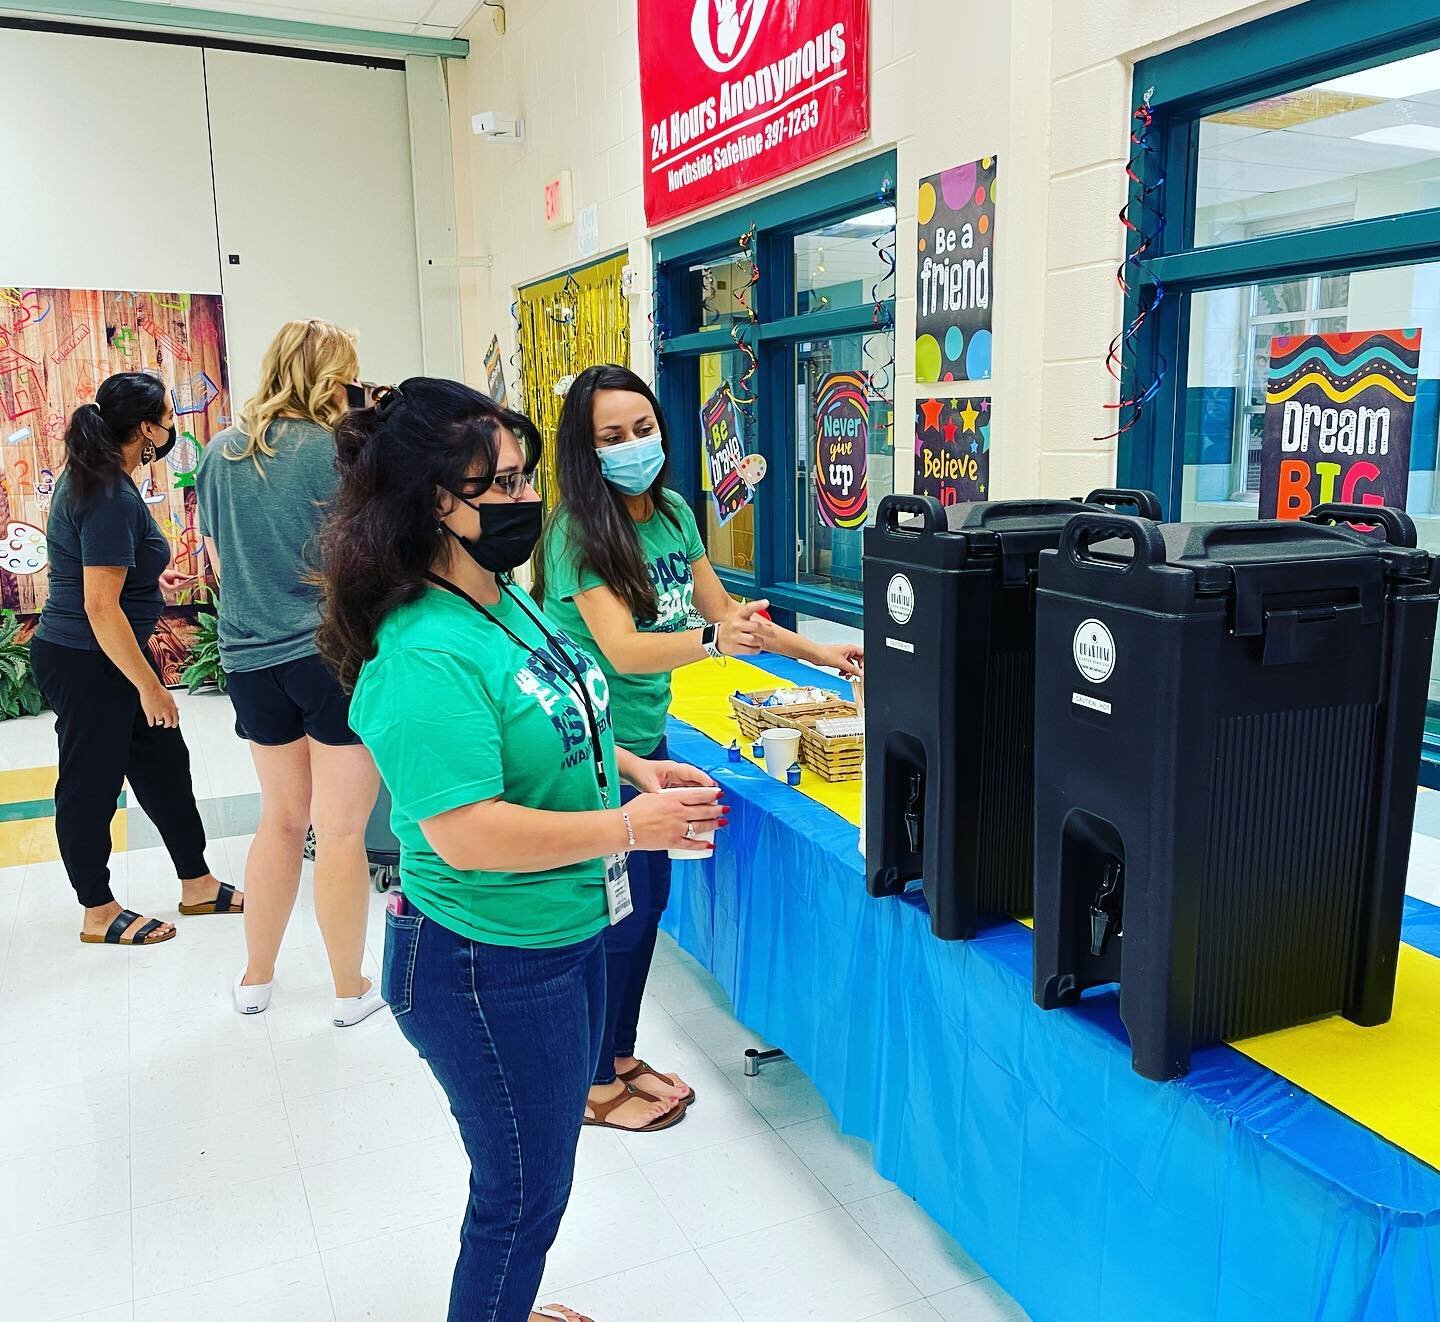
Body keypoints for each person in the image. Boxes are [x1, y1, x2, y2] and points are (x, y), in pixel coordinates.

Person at [317, 378, 722, 1322]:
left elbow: (556, 707)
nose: (523, 500)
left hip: (561, 930)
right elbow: (465, 833)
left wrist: (631, 770)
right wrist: (631, 829)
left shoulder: (506, 600)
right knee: (522, 1198)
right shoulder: (425, 650)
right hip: (484, 963)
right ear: (433, 502)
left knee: (538, 1178)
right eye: (496, 485)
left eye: (524, 477)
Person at [537, 363, 864, 1125]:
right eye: (610, 437)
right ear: (585, 452)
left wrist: (820, 653)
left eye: (642, 428)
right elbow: (622, 650)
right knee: (614, 912)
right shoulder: (576, 533)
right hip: (591, 749)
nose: (632, 446)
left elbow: (725, 614)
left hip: (647, 736)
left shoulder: (675, 511)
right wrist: (713, 640)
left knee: (645, 907)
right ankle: (593, 1082)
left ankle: (617, 1056)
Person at [195, 319, 383, 1026]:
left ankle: (255, 979)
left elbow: (217, 558)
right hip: (327, 657)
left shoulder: (219, 453)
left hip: (248, 660)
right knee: (339, 832)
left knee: (279, 822)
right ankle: (346, 990)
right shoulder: (336, 453)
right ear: (334, 375)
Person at [30, 372, 239, 947]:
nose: (173, 429)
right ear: (146, 429)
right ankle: (97, 911)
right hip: (87, 660)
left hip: (100, 653)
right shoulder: (108, 495)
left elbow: (101, 577)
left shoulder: (100, 480)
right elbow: (99, 607)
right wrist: (151, 686)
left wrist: (151, 576)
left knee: (165, 769)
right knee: (90, 784)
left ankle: (196, 883)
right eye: (169, 419)